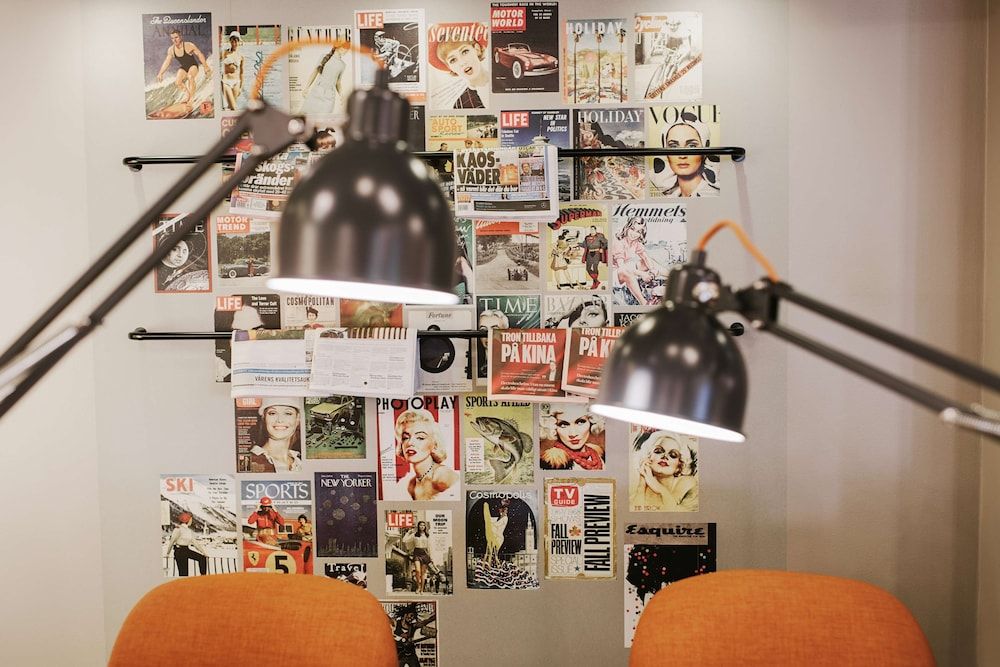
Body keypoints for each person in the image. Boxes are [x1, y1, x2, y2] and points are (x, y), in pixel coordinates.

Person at [395, 409, 458, 500]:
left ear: (435, 444)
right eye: (405, 438)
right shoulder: (409, 484)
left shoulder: (443, 476)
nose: (410, 443)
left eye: (420, 438)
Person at [629, 431, 698, 511]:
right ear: (648, 458)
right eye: (658, 451)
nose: (665, 456)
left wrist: (657, 486)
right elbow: (635, 511)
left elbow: (672, 512)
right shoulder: (639, 490)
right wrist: (641, 485)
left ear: (679, 467)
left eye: (673, 455)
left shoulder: (687, 483)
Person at [650, 119, 720, 197]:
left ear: (705, 149)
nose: (682, 156)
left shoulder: (713, 196)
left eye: (692, 146)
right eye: (673, 146)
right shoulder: (669, 195)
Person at [611, 216, 668, 306]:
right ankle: (644, 303)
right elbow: (622, 267)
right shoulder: (619, 242)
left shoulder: (636, 242)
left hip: (626, 267)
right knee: (625, 271)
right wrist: (642, 274)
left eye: (638, 231)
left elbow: (645, 257)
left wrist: (652, 269)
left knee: (647, 262)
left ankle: (673, 276)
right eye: (632, 229)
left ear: (641, 233)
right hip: (614, 272)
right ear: (627, 227)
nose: (634, 234)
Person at [429, 32, 489, 108]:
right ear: (450, 67)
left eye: (465, 52)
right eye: (453, 60)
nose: (462, 62)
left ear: (477, 49)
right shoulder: (460, 105)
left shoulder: (502, 77)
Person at [156, 29, 211, 106]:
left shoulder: (189, 45)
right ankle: (187, 95)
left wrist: (205, 66)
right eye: (172, 38)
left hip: (193, 66)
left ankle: (191, 98)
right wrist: (160, 73)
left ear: (180, 37)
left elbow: (199, 54)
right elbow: (167, 61)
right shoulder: (171, 50)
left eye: (176, 37)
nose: (174, 40)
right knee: (178, 82)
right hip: (184, 67)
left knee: (190, 76)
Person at [539, 405, 605, 470]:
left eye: (580, 422)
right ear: (553, 428)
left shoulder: (599, 454)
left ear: (591, 423)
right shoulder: (552, 464)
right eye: (563, 425)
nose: (573, 434)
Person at [248, 398, 303, 473]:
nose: (280, 420)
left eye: (288, 413)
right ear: (264, 418)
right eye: (273, 413)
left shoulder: (300, 462)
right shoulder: (251, 461)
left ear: (297, 419)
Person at [300, 46, 348, 115]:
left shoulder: (343, 65)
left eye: (347, 49)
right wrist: (306, 88)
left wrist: (341, 95)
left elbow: (338, 82)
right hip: (316, 93)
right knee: (306, 116)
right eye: (344, 47)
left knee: (324, 119)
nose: (346, 50)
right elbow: (314, 73)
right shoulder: (323, 56)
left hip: (329, 98)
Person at [166, 512, 208, 576]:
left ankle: (203, 577)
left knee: (202, 558)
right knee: (184, 573)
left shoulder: (188, 531)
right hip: (179, 551)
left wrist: (204, 553)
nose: (191, 521)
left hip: (186, 550)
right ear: (187, 520)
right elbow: (172, 541)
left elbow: (195, 543)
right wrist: (168, 553)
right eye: (191, 519)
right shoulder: (178, 529)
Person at [220, 30, 244, 111]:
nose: (234, 44)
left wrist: (241, 87)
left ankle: (225, 114)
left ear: (239, 42)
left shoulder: (241, 56)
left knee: (231, 108)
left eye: (236, 41)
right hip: (225, 82)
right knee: (234, 107)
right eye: (232, 41)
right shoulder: (224, 53)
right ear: (230, 41)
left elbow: (242, 73)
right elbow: (214, 62)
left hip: (236, 82)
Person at [579, 225, 609, 289]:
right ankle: (596, 281)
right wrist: (577, 244)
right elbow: (584, 245)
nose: (592, 231)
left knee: (595, 268)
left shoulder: (600, 236)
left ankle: (594, 283)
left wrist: (602, 248)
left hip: (596, 254)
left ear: (595, 230)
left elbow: (606, 243)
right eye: (591, 229)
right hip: (589, 254)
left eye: (593, 229)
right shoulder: (587, 237)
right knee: (588, 268)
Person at [409, 521, 432, 593]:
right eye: (420, 525)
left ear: (425, 527)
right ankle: (418, 587)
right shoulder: (414, 535)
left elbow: (429, 547)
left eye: (423, 525)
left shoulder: (427, 535)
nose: (422, 526)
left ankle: (422, 589)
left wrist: (430, 556)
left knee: (423, 573)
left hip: (424, 553)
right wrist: (409, 532)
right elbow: (404, 540)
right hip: (417, 552)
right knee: (417, 571)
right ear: (418, 526)